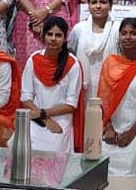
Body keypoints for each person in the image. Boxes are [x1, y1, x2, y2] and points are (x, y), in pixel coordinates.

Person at [99, 18, 136, 176]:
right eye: (124, 33)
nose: (128, 37)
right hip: (113, 125)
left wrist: (132, 132)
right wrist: (109, 128)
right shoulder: (110, 62)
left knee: (132, 166)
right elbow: (103, 100)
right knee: (101, 163)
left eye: (133, 33)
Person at [19, 16, 86, 154]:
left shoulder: (72, 64)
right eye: (49, 34)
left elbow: (71, 105)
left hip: (61, 119)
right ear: (43, 36)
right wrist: (45, 118)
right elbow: (25, 97)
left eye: (58, 35)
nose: (53, 39)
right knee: (21, 146)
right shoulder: (33, 59)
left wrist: (44, 114)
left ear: (65, 38)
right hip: (35, 117)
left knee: (52, 150)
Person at [68, 0, 120, 98]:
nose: (98, 6)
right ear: (88, 5)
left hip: (111, 87)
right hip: (82, 87)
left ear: (110, 5)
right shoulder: (79, 29)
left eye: (103, 2)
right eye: (94, 2)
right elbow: (71, 59)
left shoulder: (118, 30)